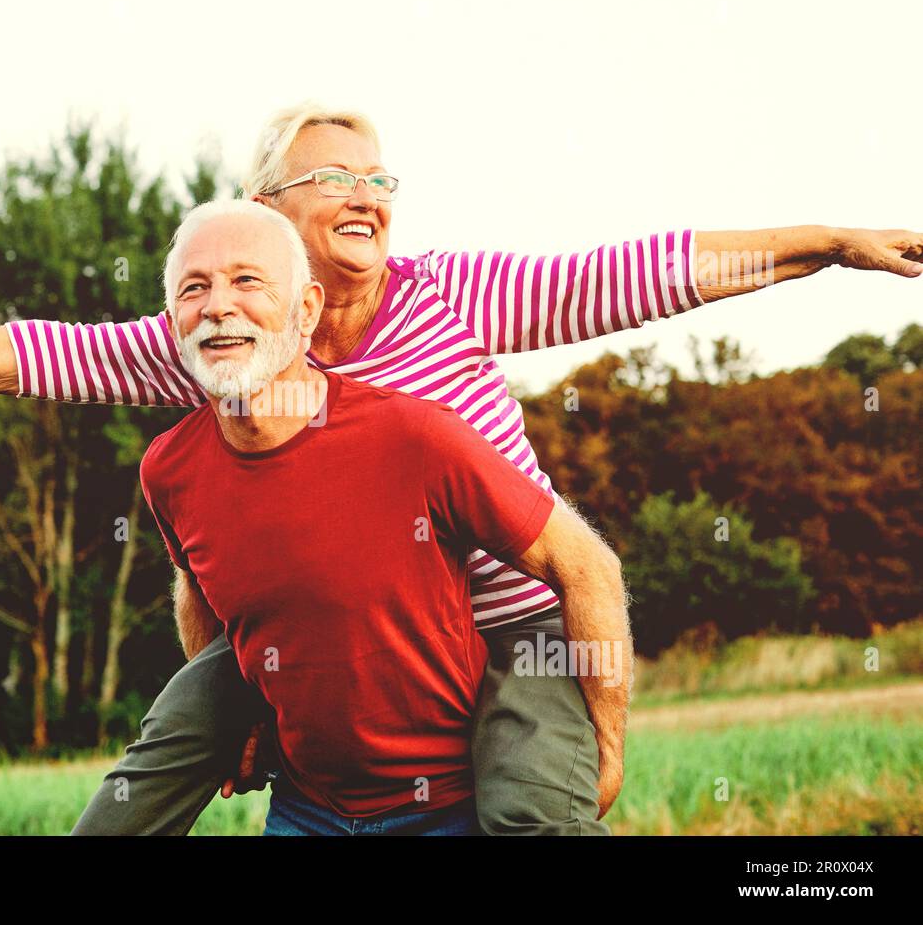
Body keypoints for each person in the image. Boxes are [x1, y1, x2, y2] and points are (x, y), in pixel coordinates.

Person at [0, 103, 923, 835]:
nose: (367, 194)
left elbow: (650, 268)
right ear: (265, 209)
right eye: (332, 178)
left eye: (379, 179)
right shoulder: (219, 328)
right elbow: (29, 354)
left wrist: (827, 246)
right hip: (319, 628)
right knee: (157, 756)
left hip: (505, 627)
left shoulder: (452, 293)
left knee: (532, 810)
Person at [143, 197, 624, 834]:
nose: (217, 305)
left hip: (453, 798)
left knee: (535, 821)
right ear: (172, 319)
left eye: (246, 281)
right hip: (309, 810)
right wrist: (239, 719)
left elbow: (586, 564)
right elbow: (201, 592)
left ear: (306, 309)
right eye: (193, 288)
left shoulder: (417, 436)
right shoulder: (169, 469)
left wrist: (607, 741)